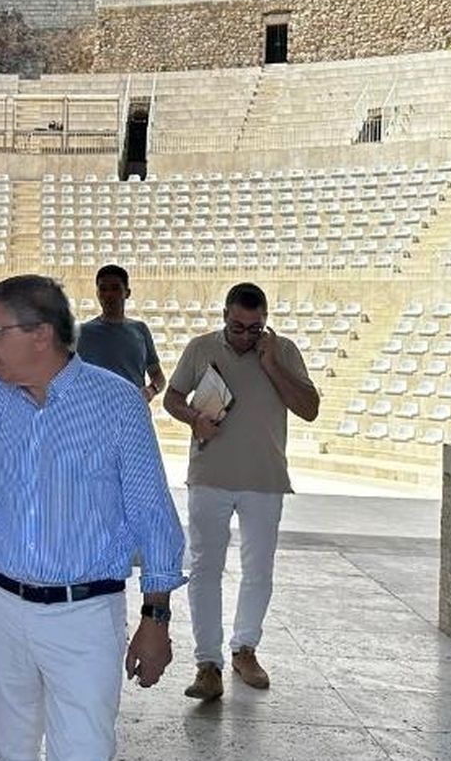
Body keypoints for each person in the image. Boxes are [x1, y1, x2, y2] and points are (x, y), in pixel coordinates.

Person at [0, 275, 186, 761]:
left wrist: (156, 617)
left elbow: (152, 512)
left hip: (83, 613)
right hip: (0, 604)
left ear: (41, 334)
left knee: (83, 748)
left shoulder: (117, 401)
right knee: (10, 743)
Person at [162, 282, 320, 701]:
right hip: (209, 476)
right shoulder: (200, 348)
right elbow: (172, 398)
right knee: (205, 569)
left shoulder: (282, 351)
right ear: (224, 318)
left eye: (255, 329)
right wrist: (194, 418)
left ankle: (245, 649)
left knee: (258, 571)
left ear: (266, 323)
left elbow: (309, 409)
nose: (246, 336)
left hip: (265, 480)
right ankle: (207, 663)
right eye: (238, 327)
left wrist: (271, 365)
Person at [75, 264, 166, 403]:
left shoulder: (140, 330)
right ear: (97, 294)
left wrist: (151, 390)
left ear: (127, 292)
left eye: (115, 288)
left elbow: (158, 375)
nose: (109, 295)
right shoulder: (82, 333)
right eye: (103, 289)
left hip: (133, 412)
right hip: (94, 415)